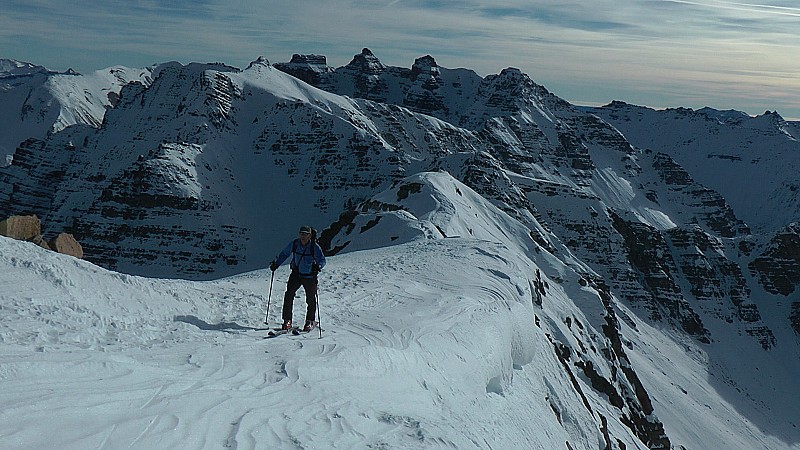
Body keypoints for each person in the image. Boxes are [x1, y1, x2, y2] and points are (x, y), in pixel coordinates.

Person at [270, 225, 326, 331]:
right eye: (301, 234)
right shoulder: (295, 244)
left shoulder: (314, 246)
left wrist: (318, 267)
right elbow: (284, 254)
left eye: (305, 234)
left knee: (310, 299)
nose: (303, 236)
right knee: (289, 295)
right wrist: (276, 264)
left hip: (309, 276)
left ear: (310, 235)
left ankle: (309, 321)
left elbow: (322, 260)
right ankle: (287, 320)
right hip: (296, 274)